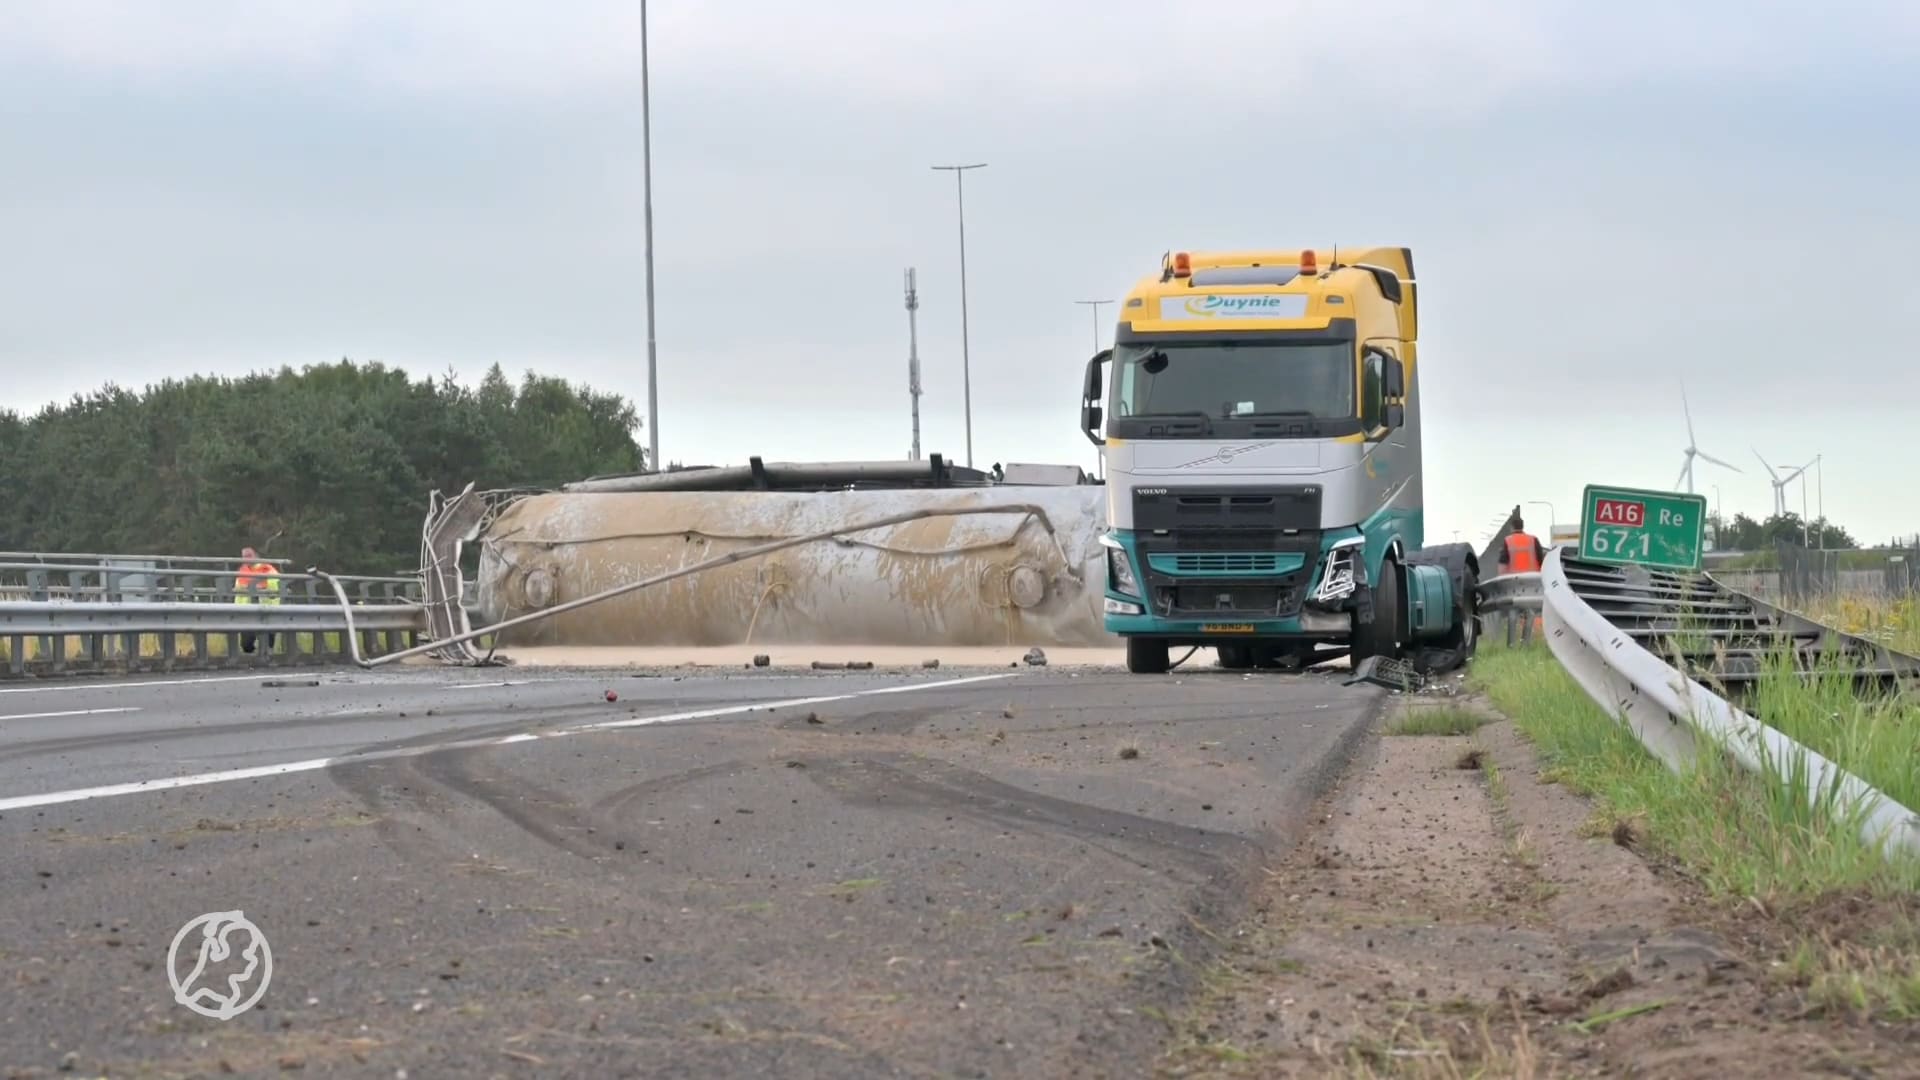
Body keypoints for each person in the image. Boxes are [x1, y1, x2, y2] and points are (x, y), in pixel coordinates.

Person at [235, 546, 281, 654]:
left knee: (267, 642)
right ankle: (252, 658)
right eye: (244, 556)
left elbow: (276, 587)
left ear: (256, 555)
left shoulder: (267, 569)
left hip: (266, 609)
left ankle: (267, 657)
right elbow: (237, 591)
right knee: (246, 645)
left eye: (249, 555)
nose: (246, 559)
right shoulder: (242, 570)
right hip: (246, 611)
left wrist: (258, 587)